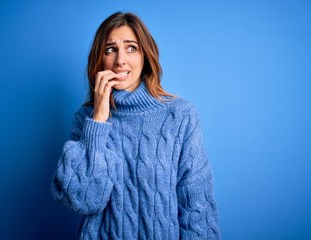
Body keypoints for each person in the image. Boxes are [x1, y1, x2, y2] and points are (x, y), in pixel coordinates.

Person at [51, 11, 220, 239]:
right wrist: (99, 119)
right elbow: (81, 200)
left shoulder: (180, 116)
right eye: (110, 49)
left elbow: (197, 207)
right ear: (99, 59)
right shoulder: (85, 119)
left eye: (131, 48)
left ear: (145, 57)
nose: (120, 60)